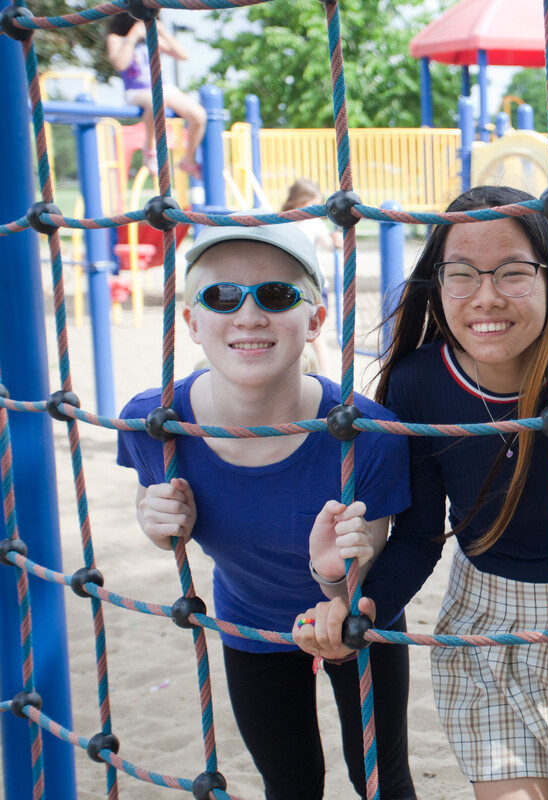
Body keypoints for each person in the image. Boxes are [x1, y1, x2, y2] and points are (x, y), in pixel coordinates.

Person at [294, 185, 548, 800]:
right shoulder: (417, 382)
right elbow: (421, 535)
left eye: (513, 273)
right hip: (487, 615)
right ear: (436, 284)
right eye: (461, 274)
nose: (486, 297)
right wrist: (362, 605)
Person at [116, 223, 418, 800]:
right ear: (192, 323)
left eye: (276, 295)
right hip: (248, 621)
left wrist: (334, 579)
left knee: (380, 780)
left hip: (354, 614)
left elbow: (369, 559)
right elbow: (156, 510)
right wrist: (155, 525)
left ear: (316, 322)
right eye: (221, 296)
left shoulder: (368, 433)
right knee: (290, 784)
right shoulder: (157, 423)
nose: (249, 316)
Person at [105, 13, 206, 178]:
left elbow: (183, 55)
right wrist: (133, 36)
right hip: (136, 91)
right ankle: (150, 150)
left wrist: (162, 31)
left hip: (161, 87)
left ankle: (189, 160)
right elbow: (120, 63)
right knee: (156, 102)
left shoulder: (151, 37)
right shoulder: (117, 38)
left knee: (198, 115)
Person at [281, 179, 342, 377]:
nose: (317, 210)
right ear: (300, 202)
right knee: (289, 333)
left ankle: (324, 375)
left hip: (314, 284)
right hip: (290, 284)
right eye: (313, 204)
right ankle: (295, 375)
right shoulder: (284, 222)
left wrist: (336, 242)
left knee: (316, 336)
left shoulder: (314, 223)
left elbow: (327, 244)